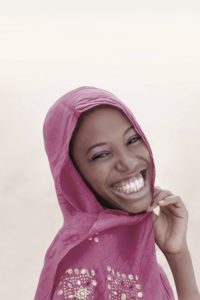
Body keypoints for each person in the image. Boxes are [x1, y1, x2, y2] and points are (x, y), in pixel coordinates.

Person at [34, 86, 199, 300]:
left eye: (132, 140)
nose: (128, 162)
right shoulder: (82, 265)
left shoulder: (131, 246)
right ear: (72, 175)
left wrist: (178, 254)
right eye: (101, 154)